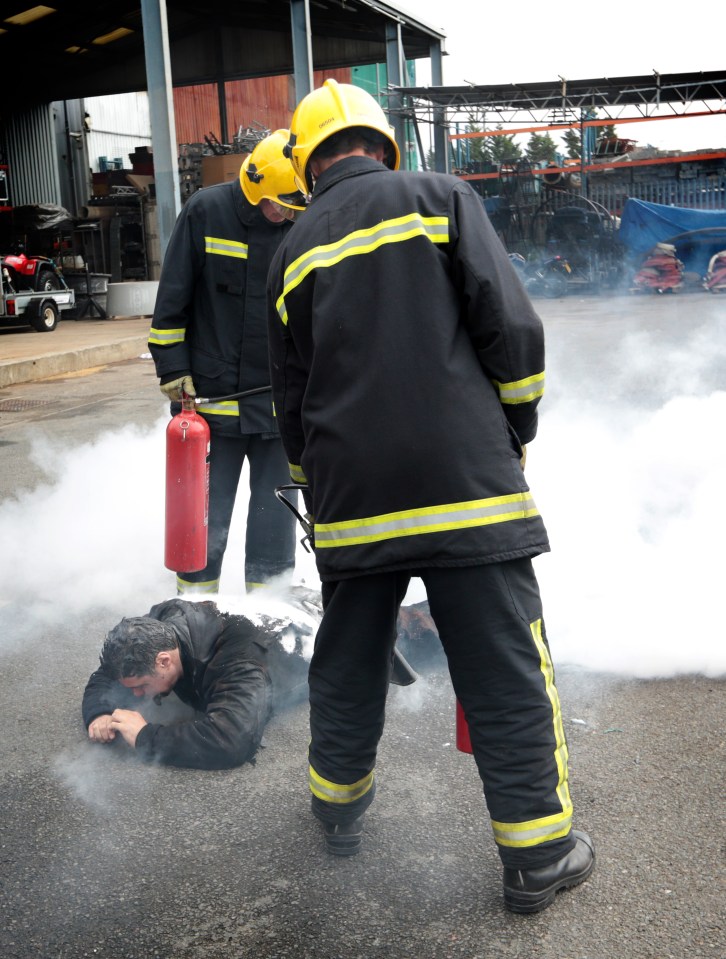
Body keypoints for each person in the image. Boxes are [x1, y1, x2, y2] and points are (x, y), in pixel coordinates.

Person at [266, 79, 594, 912]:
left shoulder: (291, 248)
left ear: (308, 165)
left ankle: (337, 816)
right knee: (505, 668)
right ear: (385, 143)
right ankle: (537, 859)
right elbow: (511, 331)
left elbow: (291, 396)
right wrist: (511, 428)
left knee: (346, 666)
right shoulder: (441, 196)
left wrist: (318, 490)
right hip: (466, 492)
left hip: (353, 503)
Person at [148, 130, 306, 596]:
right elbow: (171, 303)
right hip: (210, 407)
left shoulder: (300, 222)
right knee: (203, 521)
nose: (286, 214)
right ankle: (194, 616)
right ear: (255, 187)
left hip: (278, 410)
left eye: (294, 205)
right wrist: (174, 371)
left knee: (275, 521)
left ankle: (267, 622)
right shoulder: (206, 211)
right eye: (279, 205)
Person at [82, 592, 433, 770]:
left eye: (141, 687)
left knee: (452, 628)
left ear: (164, 659)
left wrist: (146, 737)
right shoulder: (161, 623)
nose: (138, 696)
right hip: (299, 608)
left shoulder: (239, 660)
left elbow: (231, 740)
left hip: (353, 634)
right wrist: (100, 711)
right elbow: (108, 674)